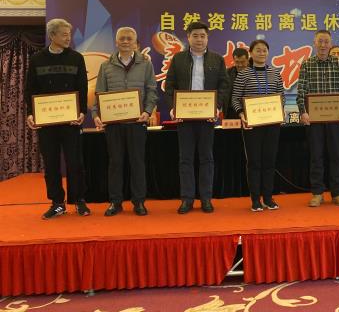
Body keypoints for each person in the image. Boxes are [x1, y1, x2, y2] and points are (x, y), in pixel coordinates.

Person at [25, 18, 90, 219]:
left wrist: (82, 112)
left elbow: (82, 87)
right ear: (52, 35)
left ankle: (79, 200)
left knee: (75, 162)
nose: (68, 38)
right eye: (64, 34)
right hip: (47, 123)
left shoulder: (76, 58)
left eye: (69, 34)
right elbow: (30, 89)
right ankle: (57, 203)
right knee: (51, 164)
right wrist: (31, 113)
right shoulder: (37, 59)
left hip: (71, 122)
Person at [164, 21, 229, 214]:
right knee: (185, 159)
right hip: (184, 118)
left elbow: (224, 86)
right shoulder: (178, 59)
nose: (199, 39)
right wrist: (174, 108)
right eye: (195, 36)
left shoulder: (217, 59)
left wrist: (217, 107)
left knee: (206, 158)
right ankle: (187, 199)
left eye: (202, 36)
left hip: (207, 118)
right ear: (188, 37)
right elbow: (169, 86)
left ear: (207, 38)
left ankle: (206, 198)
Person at [93, 27, 158, 216]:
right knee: (115, 163)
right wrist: (97, 114)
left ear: (136, 43)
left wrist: (147, 111)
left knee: (137, 163)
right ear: (116, 42)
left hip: (137, 123)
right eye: (122, 38)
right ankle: (115, 202)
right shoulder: (106, 66)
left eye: (130, 38)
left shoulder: (146, 64)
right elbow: (99, 93)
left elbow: (152, 91)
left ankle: (139, 202)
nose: (126, 41)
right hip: (113, 124)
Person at [296, 30, 339, 207]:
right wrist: (303, 111)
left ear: (330, 44)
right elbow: (301, 91)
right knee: (316, 156)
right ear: (314, 43)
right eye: (320, 41)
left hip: (336, 119)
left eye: (326, 41)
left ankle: (338, 193)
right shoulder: (307, 64)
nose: (323, 45)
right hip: (314, 120)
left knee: (336, 155)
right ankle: (317, 193)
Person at [231, 39, 285, 212]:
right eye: (258, 50)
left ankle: (268, 198)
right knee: (254, 162)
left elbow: (281, 96)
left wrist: (279, 110)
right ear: (251, 53)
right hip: (251, 125)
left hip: (272, 124)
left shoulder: (275, 73)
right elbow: (235, 98)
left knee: (269, 161)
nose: (261, 53)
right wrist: (242, 114)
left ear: (268, 53)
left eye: (264, 50)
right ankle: (255, 199)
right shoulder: (244, 74)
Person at [225, 48, 250, 119]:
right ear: (233, 60)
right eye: (237, 62)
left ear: (248, 60)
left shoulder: (254, 72)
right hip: (232, 112)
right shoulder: (227, 73)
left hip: (250, 110)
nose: (240, 65)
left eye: (243, 62)